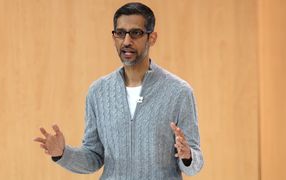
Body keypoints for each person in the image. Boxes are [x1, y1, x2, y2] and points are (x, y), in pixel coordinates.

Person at [34, 2, 203, 179]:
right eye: (121, 33)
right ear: (114, 37)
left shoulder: (178, 92)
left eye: (136, 33)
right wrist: (62, 153)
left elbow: (195, 164)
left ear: (151, 38)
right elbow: (94, 156)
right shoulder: (98, 92)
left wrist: (188, 156)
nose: (127, 41)